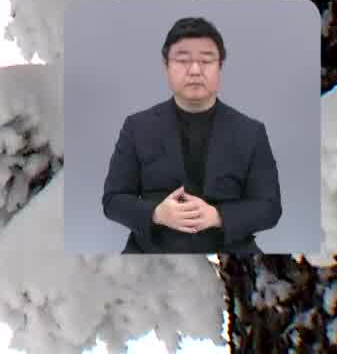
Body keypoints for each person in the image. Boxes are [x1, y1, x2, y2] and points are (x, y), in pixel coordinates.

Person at [100, 16, 282, 254]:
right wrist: (157, 214)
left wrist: (218, 216)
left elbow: (269, 208)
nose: (195, 70)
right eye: (183, 60)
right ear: (166, 66)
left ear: (220, 66)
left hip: (233, 262)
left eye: (206, 60)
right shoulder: (137, 127)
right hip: (154, 257)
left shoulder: (251, 131)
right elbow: (113, 200)